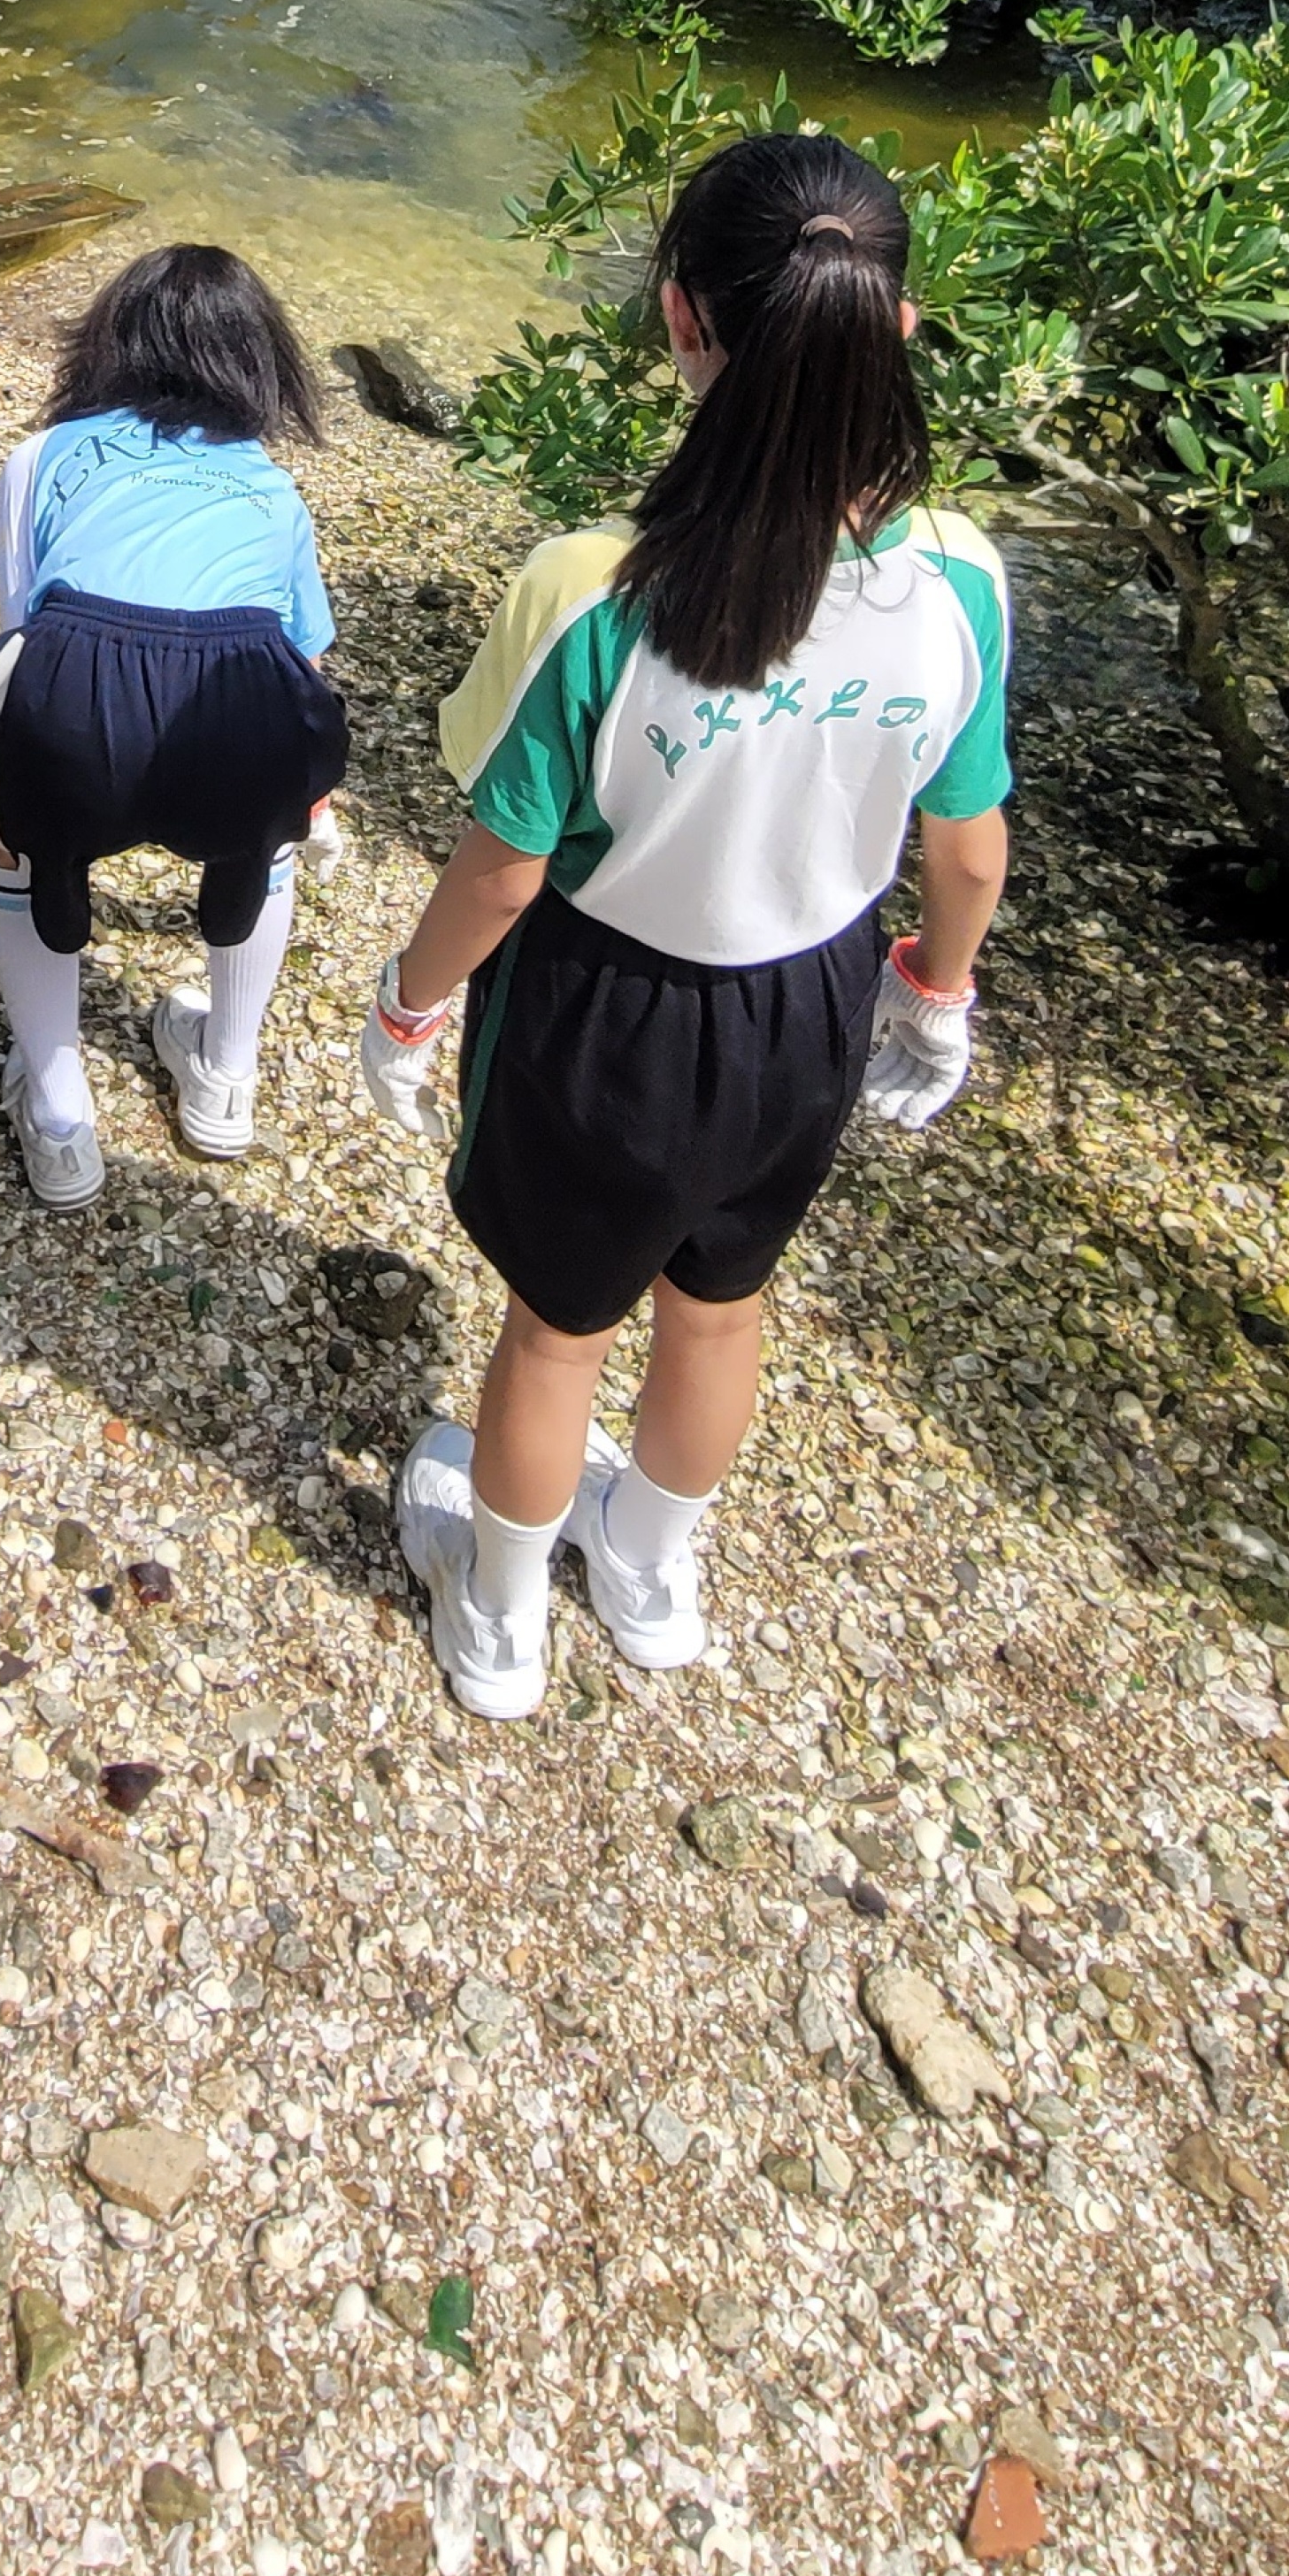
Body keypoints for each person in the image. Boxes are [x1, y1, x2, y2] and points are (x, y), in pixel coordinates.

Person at [360, 128, 1009, 1718]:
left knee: (554, 1332)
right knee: (721, 1311)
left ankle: (500, 1617)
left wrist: (407, 1005)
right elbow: (967, 849)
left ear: (679, 319)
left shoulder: (596, 587)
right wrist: (935, 995)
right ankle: (650, 1575)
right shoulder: (961, 578)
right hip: (808, 1007)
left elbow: (502, 870)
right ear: (901, 323)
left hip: (606, 1011)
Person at [0, 241, 348, 1208]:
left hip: (73, 697)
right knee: (267, 844)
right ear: (259, 361)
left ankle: (60, 1116)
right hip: (241, 711)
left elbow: (22, 630)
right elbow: (303, 657)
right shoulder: (272, 486)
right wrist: (306, 798)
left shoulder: (40, 456)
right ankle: (224, 1076)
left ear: (107, 343)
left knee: (19, 846)